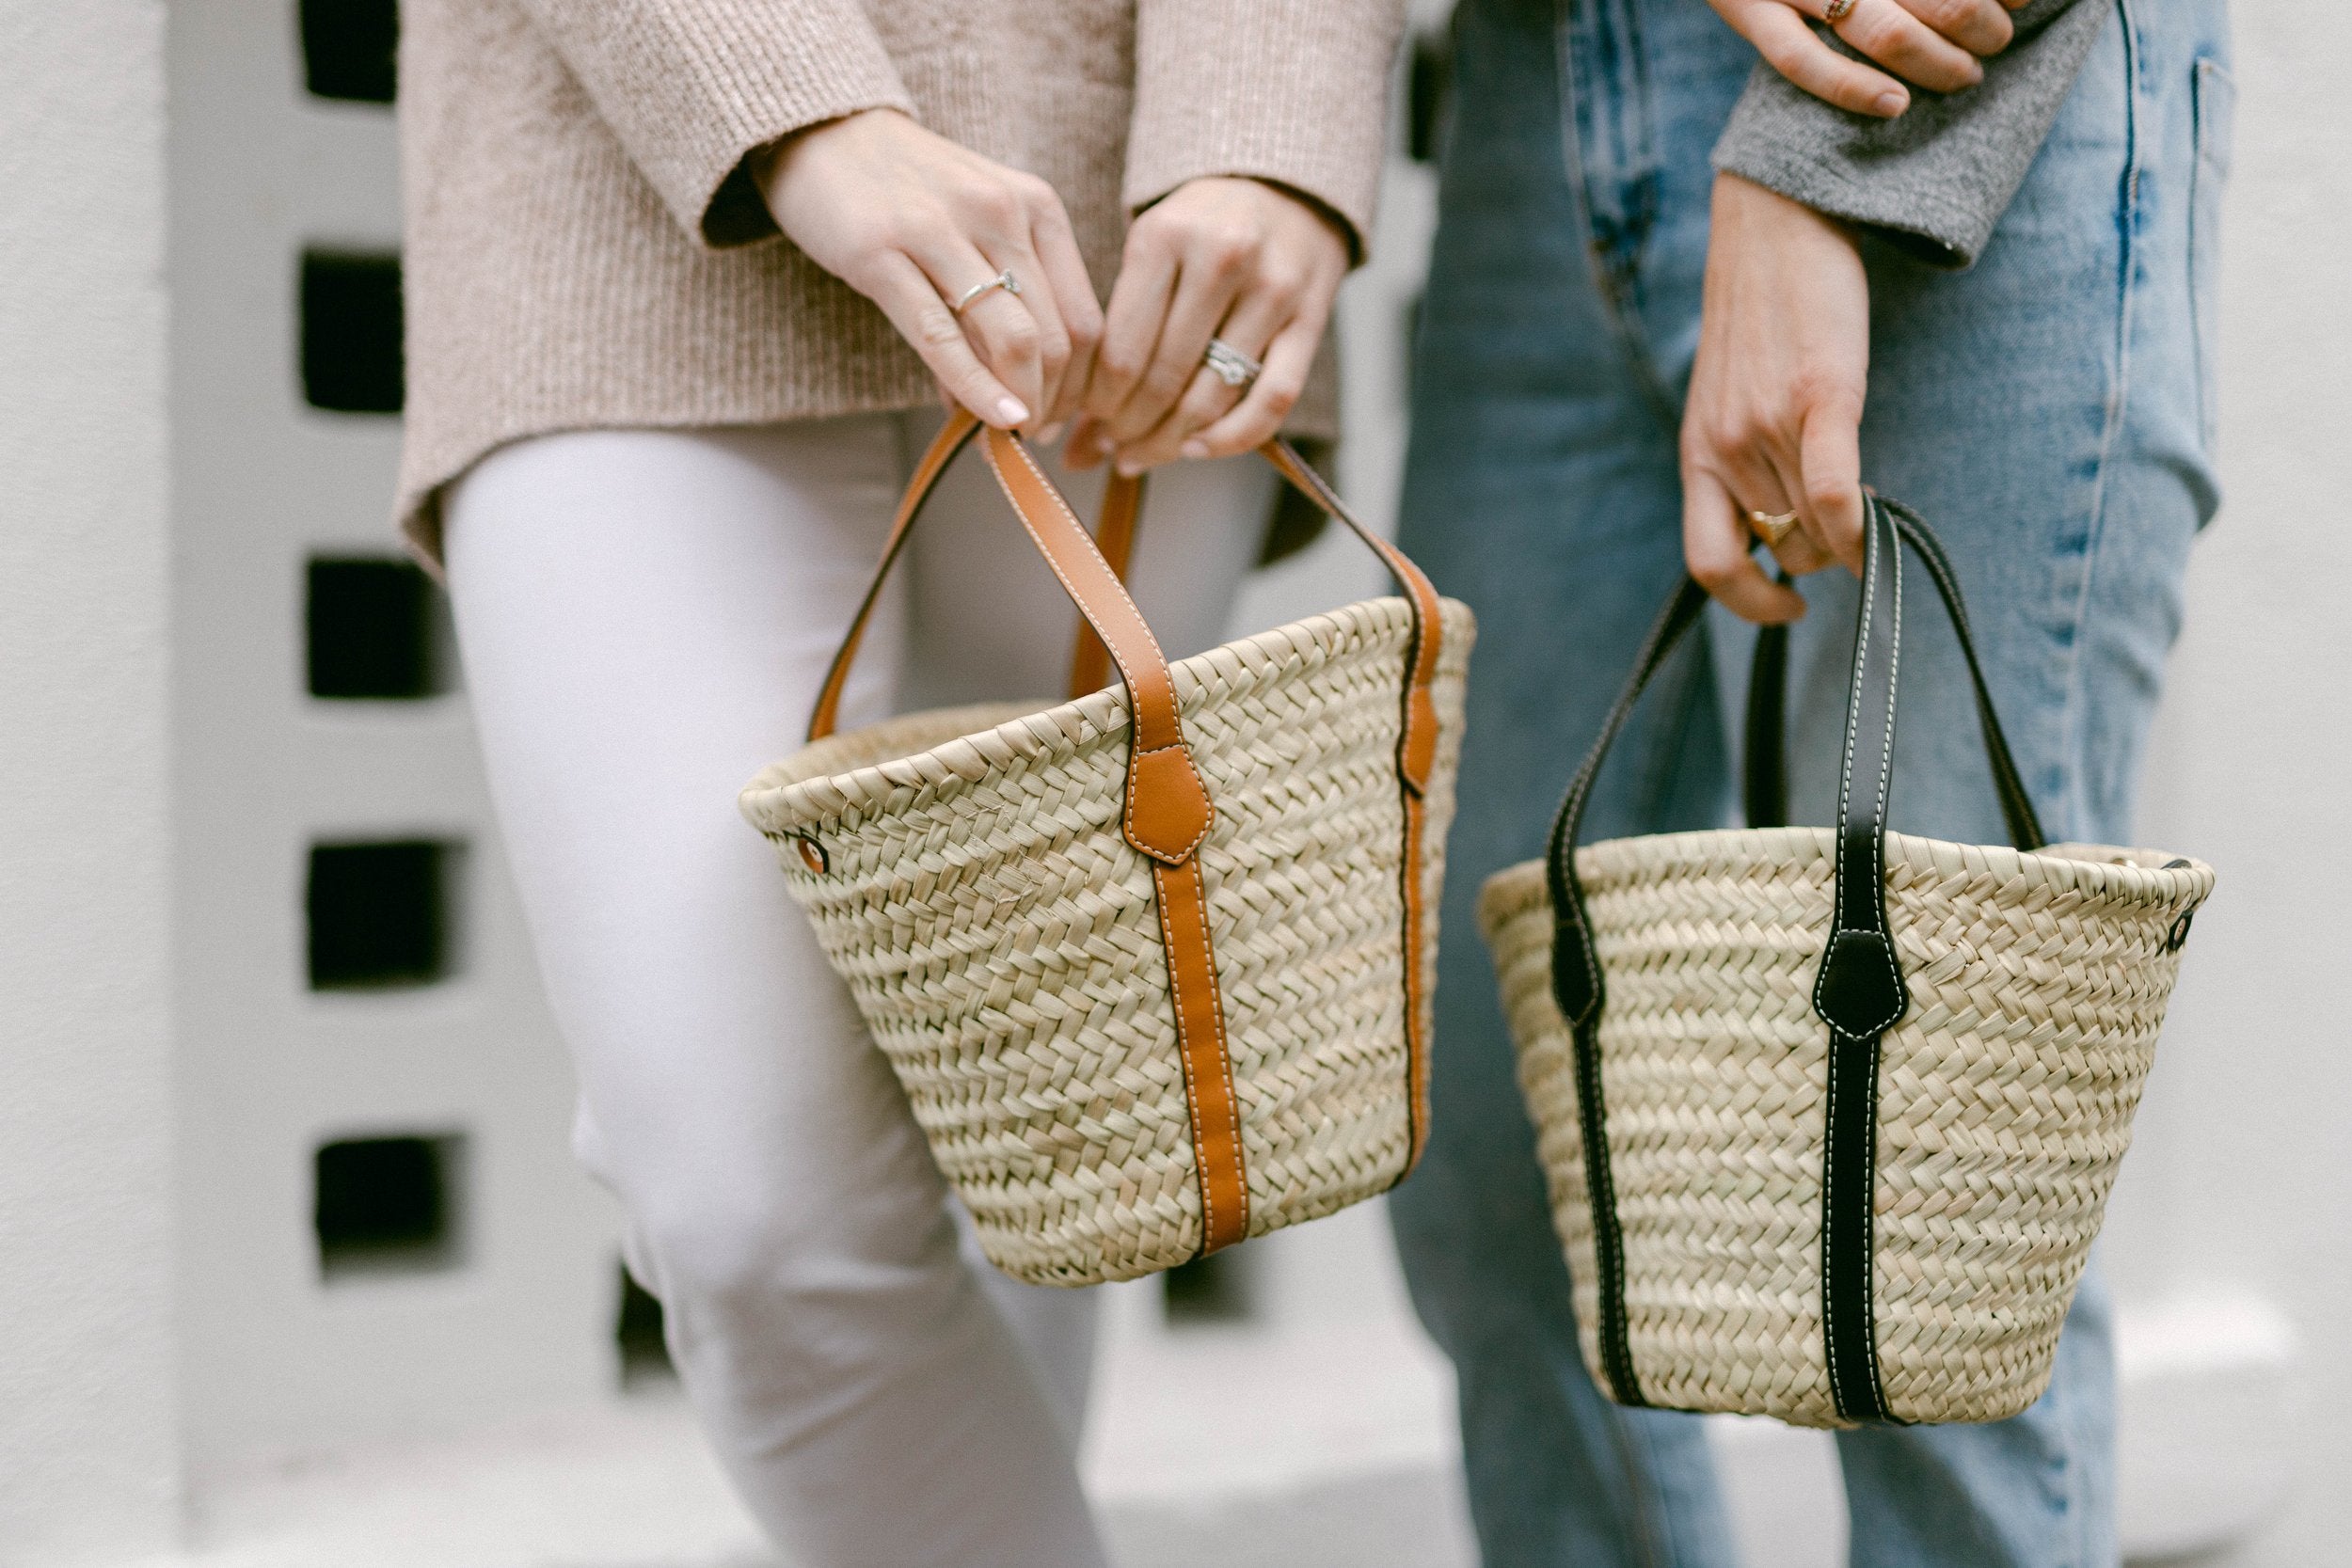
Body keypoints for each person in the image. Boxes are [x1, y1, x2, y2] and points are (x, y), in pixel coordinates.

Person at [390, 2, 1403, 1563]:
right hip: (612, 205)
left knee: (1050, 1168)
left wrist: (1268, 130)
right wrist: (790, 106)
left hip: (1130, 249)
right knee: (751, 1204)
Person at [1389, 0, 2229, 1562]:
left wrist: (1822, 156)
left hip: (1968, 97)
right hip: (1538, 98)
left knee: (1933, 1231)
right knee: (1502, 1165)